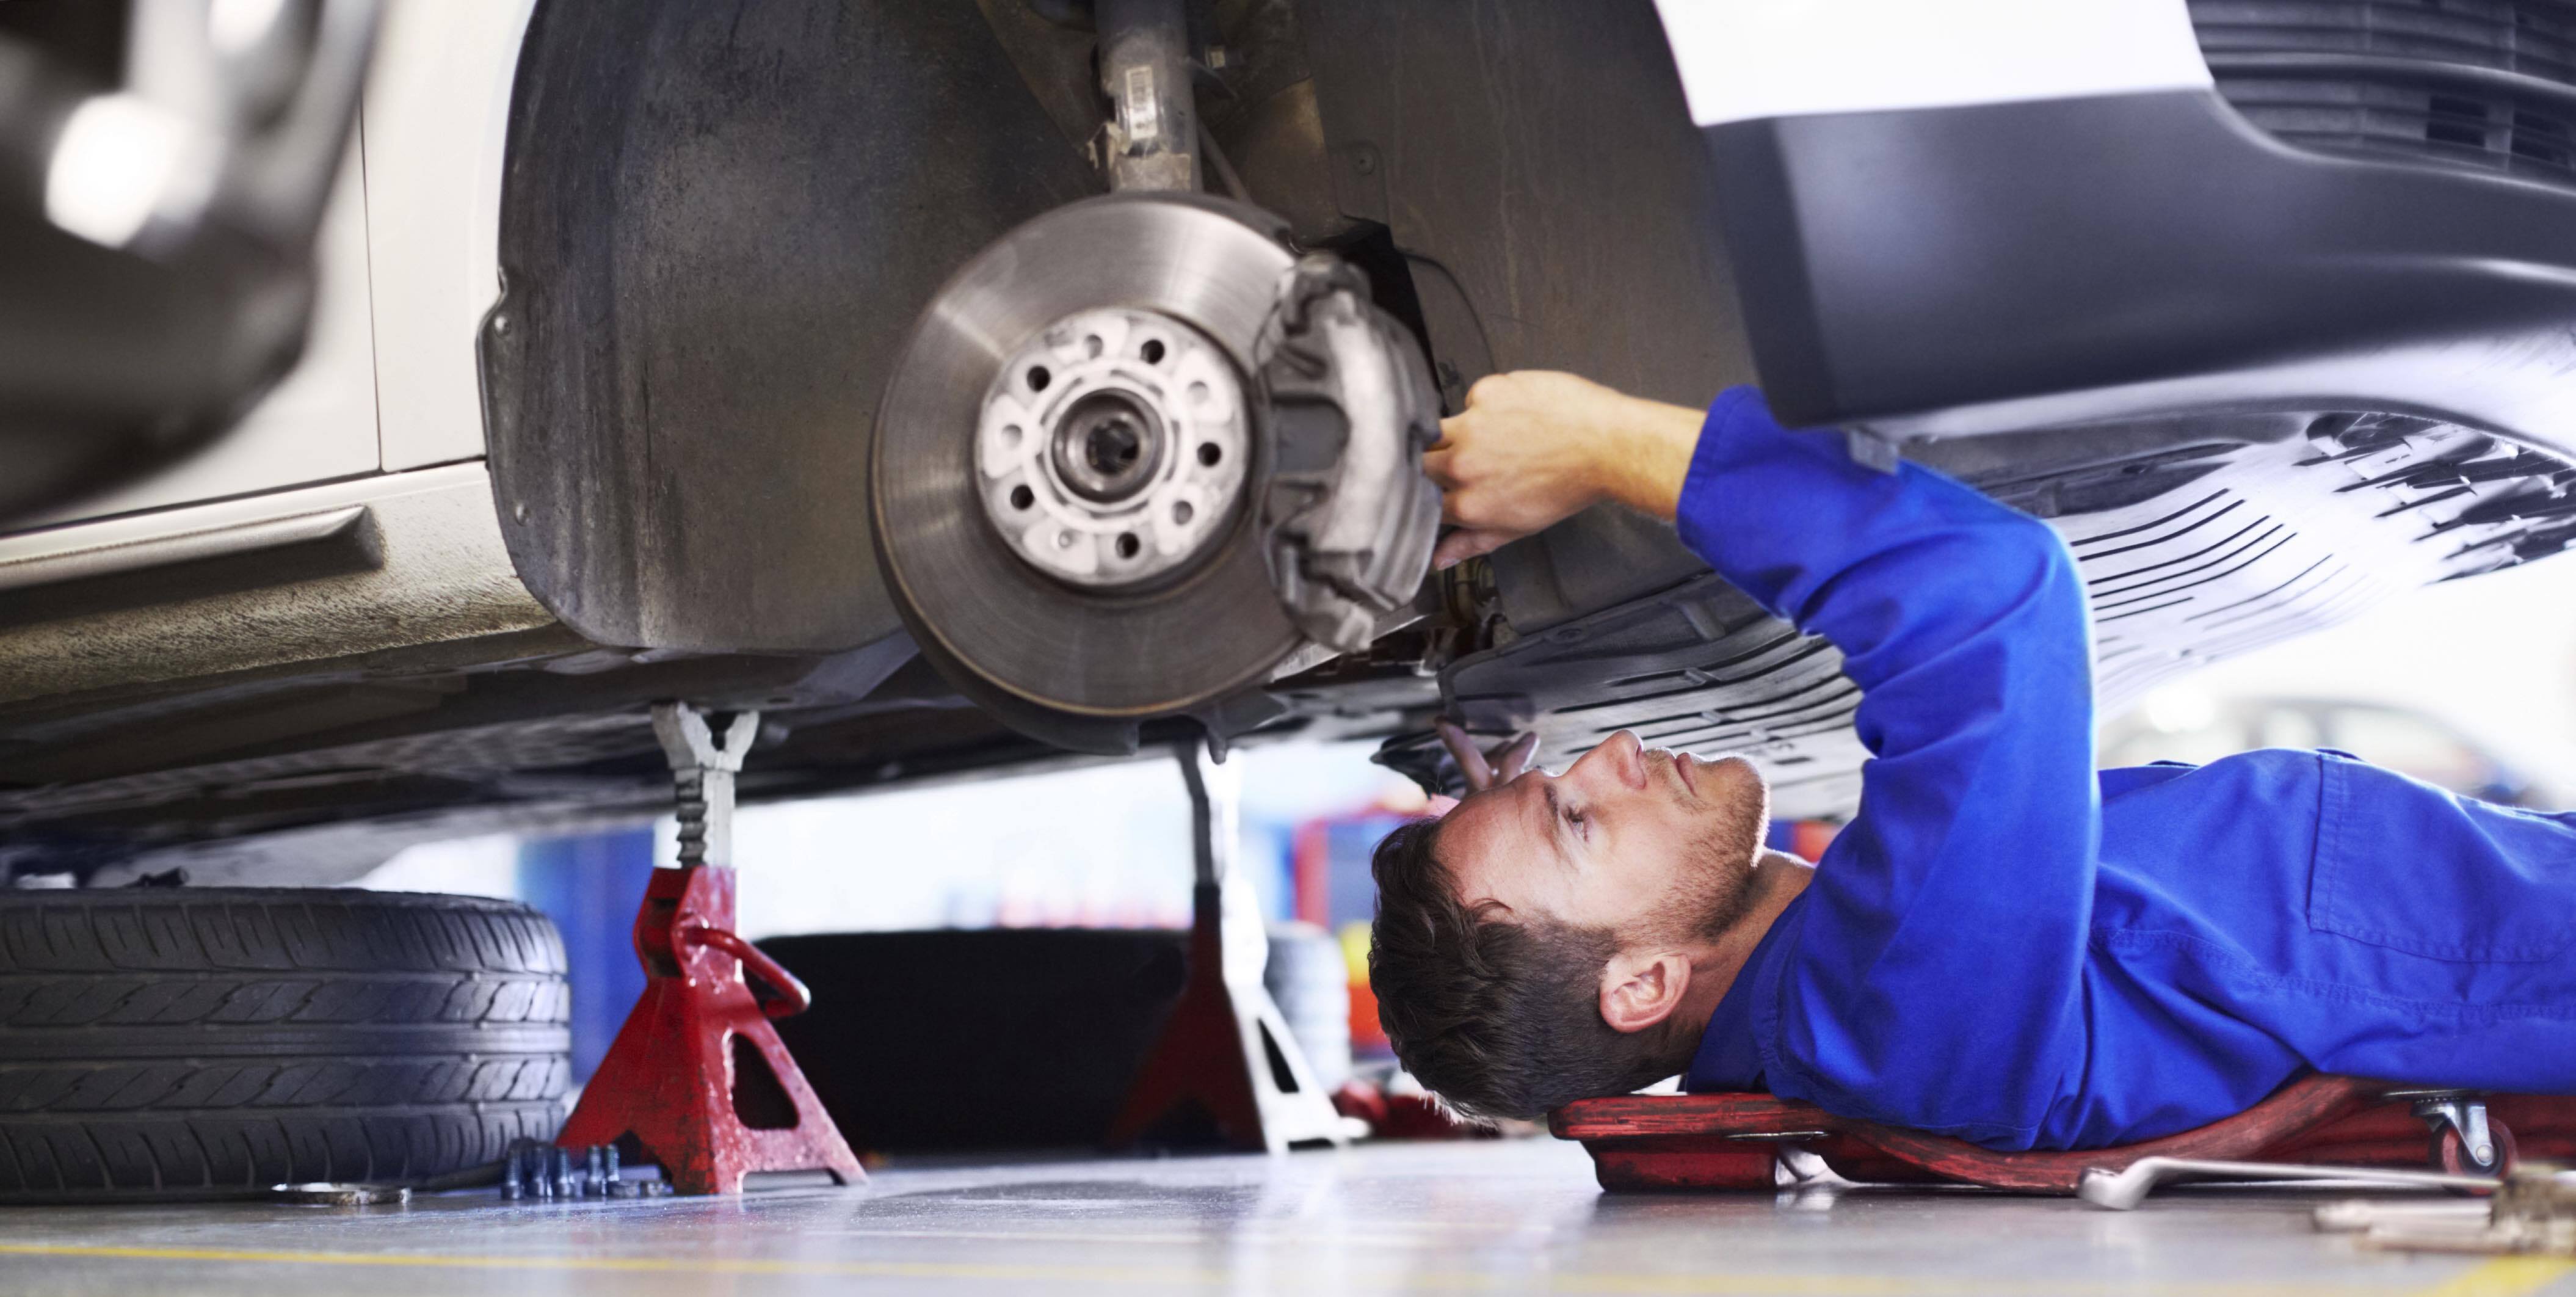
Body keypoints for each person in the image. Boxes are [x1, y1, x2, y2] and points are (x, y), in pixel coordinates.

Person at [1368, 371, 2576, 1150]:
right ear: (1639, 989)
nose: (1615, 751)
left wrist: (1513, 798)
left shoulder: (1855, 975)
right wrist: (1599, 441)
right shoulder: (1889, 1010)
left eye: (1563, 777)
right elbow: (1987, 598)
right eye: (1579, 821)